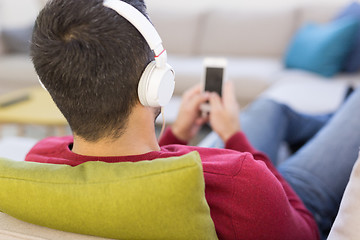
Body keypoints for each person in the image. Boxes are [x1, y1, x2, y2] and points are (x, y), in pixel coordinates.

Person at [26, 0, 360, 239]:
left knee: (272, 109)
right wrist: (234, 139)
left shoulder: (40, 161)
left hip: (256, 199)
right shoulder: (239, 176)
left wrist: (178, 134)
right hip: (287, 202)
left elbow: (133, 167)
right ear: (157, 85)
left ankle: (324, 125)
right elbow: (305, 230)